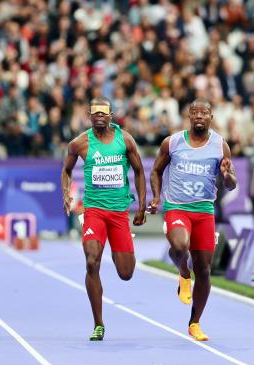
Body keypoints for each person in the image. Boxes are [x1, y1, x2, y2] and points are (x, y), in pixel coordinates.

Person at [148, 98, 237, 341]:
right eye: (195, 112)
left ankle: (194, 323)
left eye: (204, 113)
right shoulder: (173, 142)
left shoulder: (221, 146)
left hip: (204, 211)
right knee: (179, 246)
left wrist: (227, 174)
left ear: (211, 117)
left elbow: (231, 184)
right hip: (177, 208)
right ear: (189, 116)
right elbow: (155, 171)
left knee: (205, 270)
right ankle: (183, 272)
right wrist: (156, 197)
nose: (199, 116)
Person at [61, 97, 147, 341]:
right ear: (89, 114)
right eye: (95, 112)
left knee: (126, 273)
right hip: (94, 211)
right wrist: (65, 193)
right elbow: (66, 170)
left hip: (119, 213)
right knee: (91, 261)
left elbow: (140, 171)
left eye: (104, 112)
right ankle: (98, 323)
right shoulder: (79, 143)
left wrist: (141, 206)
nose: (100, 115)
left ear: (111, 115)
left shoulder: (125, 140)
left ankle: (119, 245)